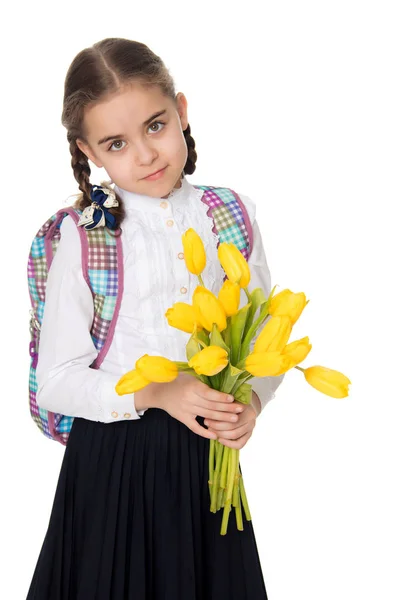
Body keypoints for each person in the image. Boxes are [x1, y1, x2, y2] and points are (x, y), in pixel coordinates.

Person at [26, 37, 285, 599]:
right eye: (116, 143)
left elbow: (265, 331)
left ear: (182, 111)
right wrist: (158, 390)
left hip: (208, 462)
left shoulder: (230, 215)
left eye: (155, 125)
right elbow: (56, 381)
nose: (145, 155)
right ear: (89, 152)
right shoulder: (85, 235)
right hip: (114, 465)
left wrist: (254, 401)